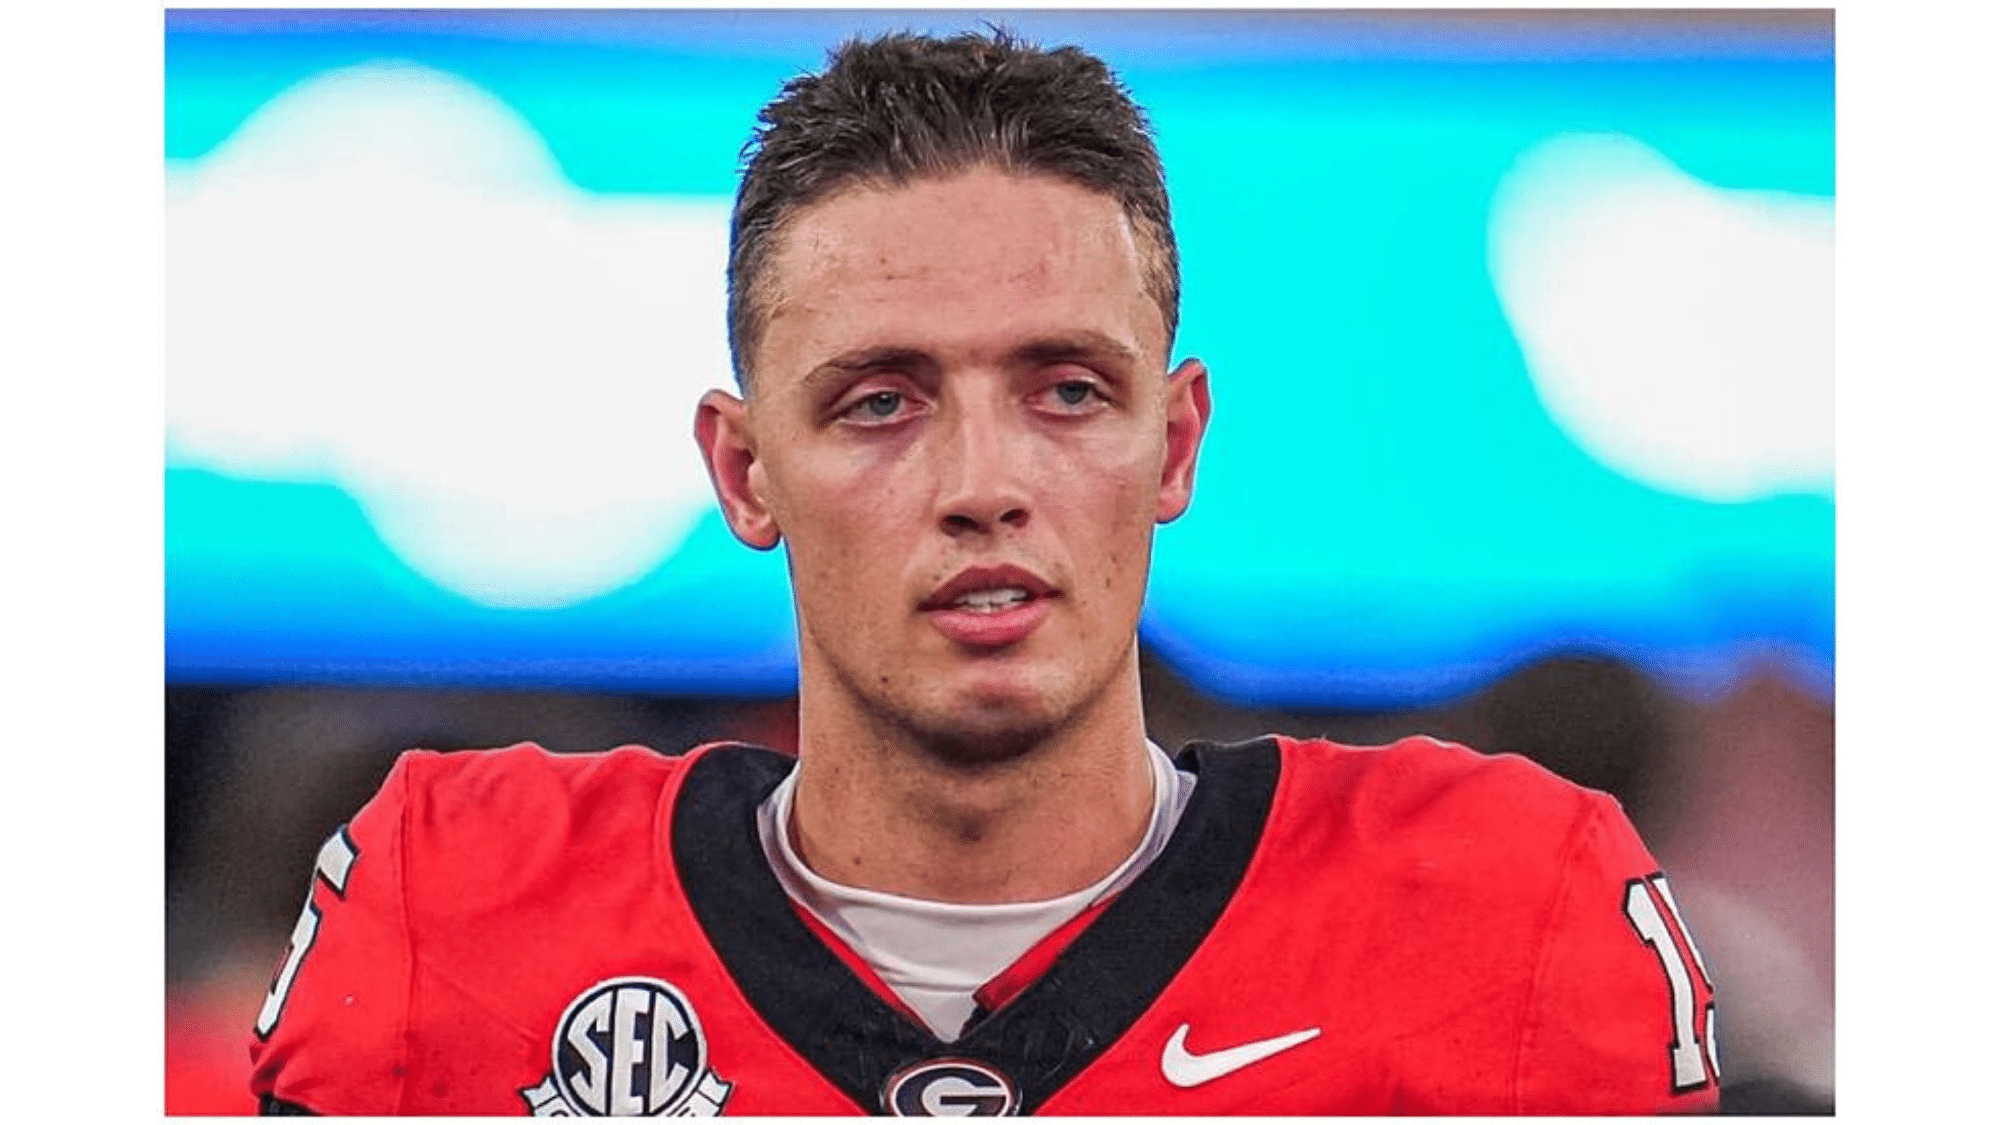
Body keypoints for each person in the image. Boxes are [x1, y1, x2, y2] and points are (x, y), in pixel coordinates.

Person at [247, 29, 1719, 1115]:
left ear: (1177, 443)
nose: (982, 486)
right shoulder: (453, 913)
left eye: (1067, 391)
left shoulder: (1502, 916)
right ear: (745, 472)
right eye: (881, 401)